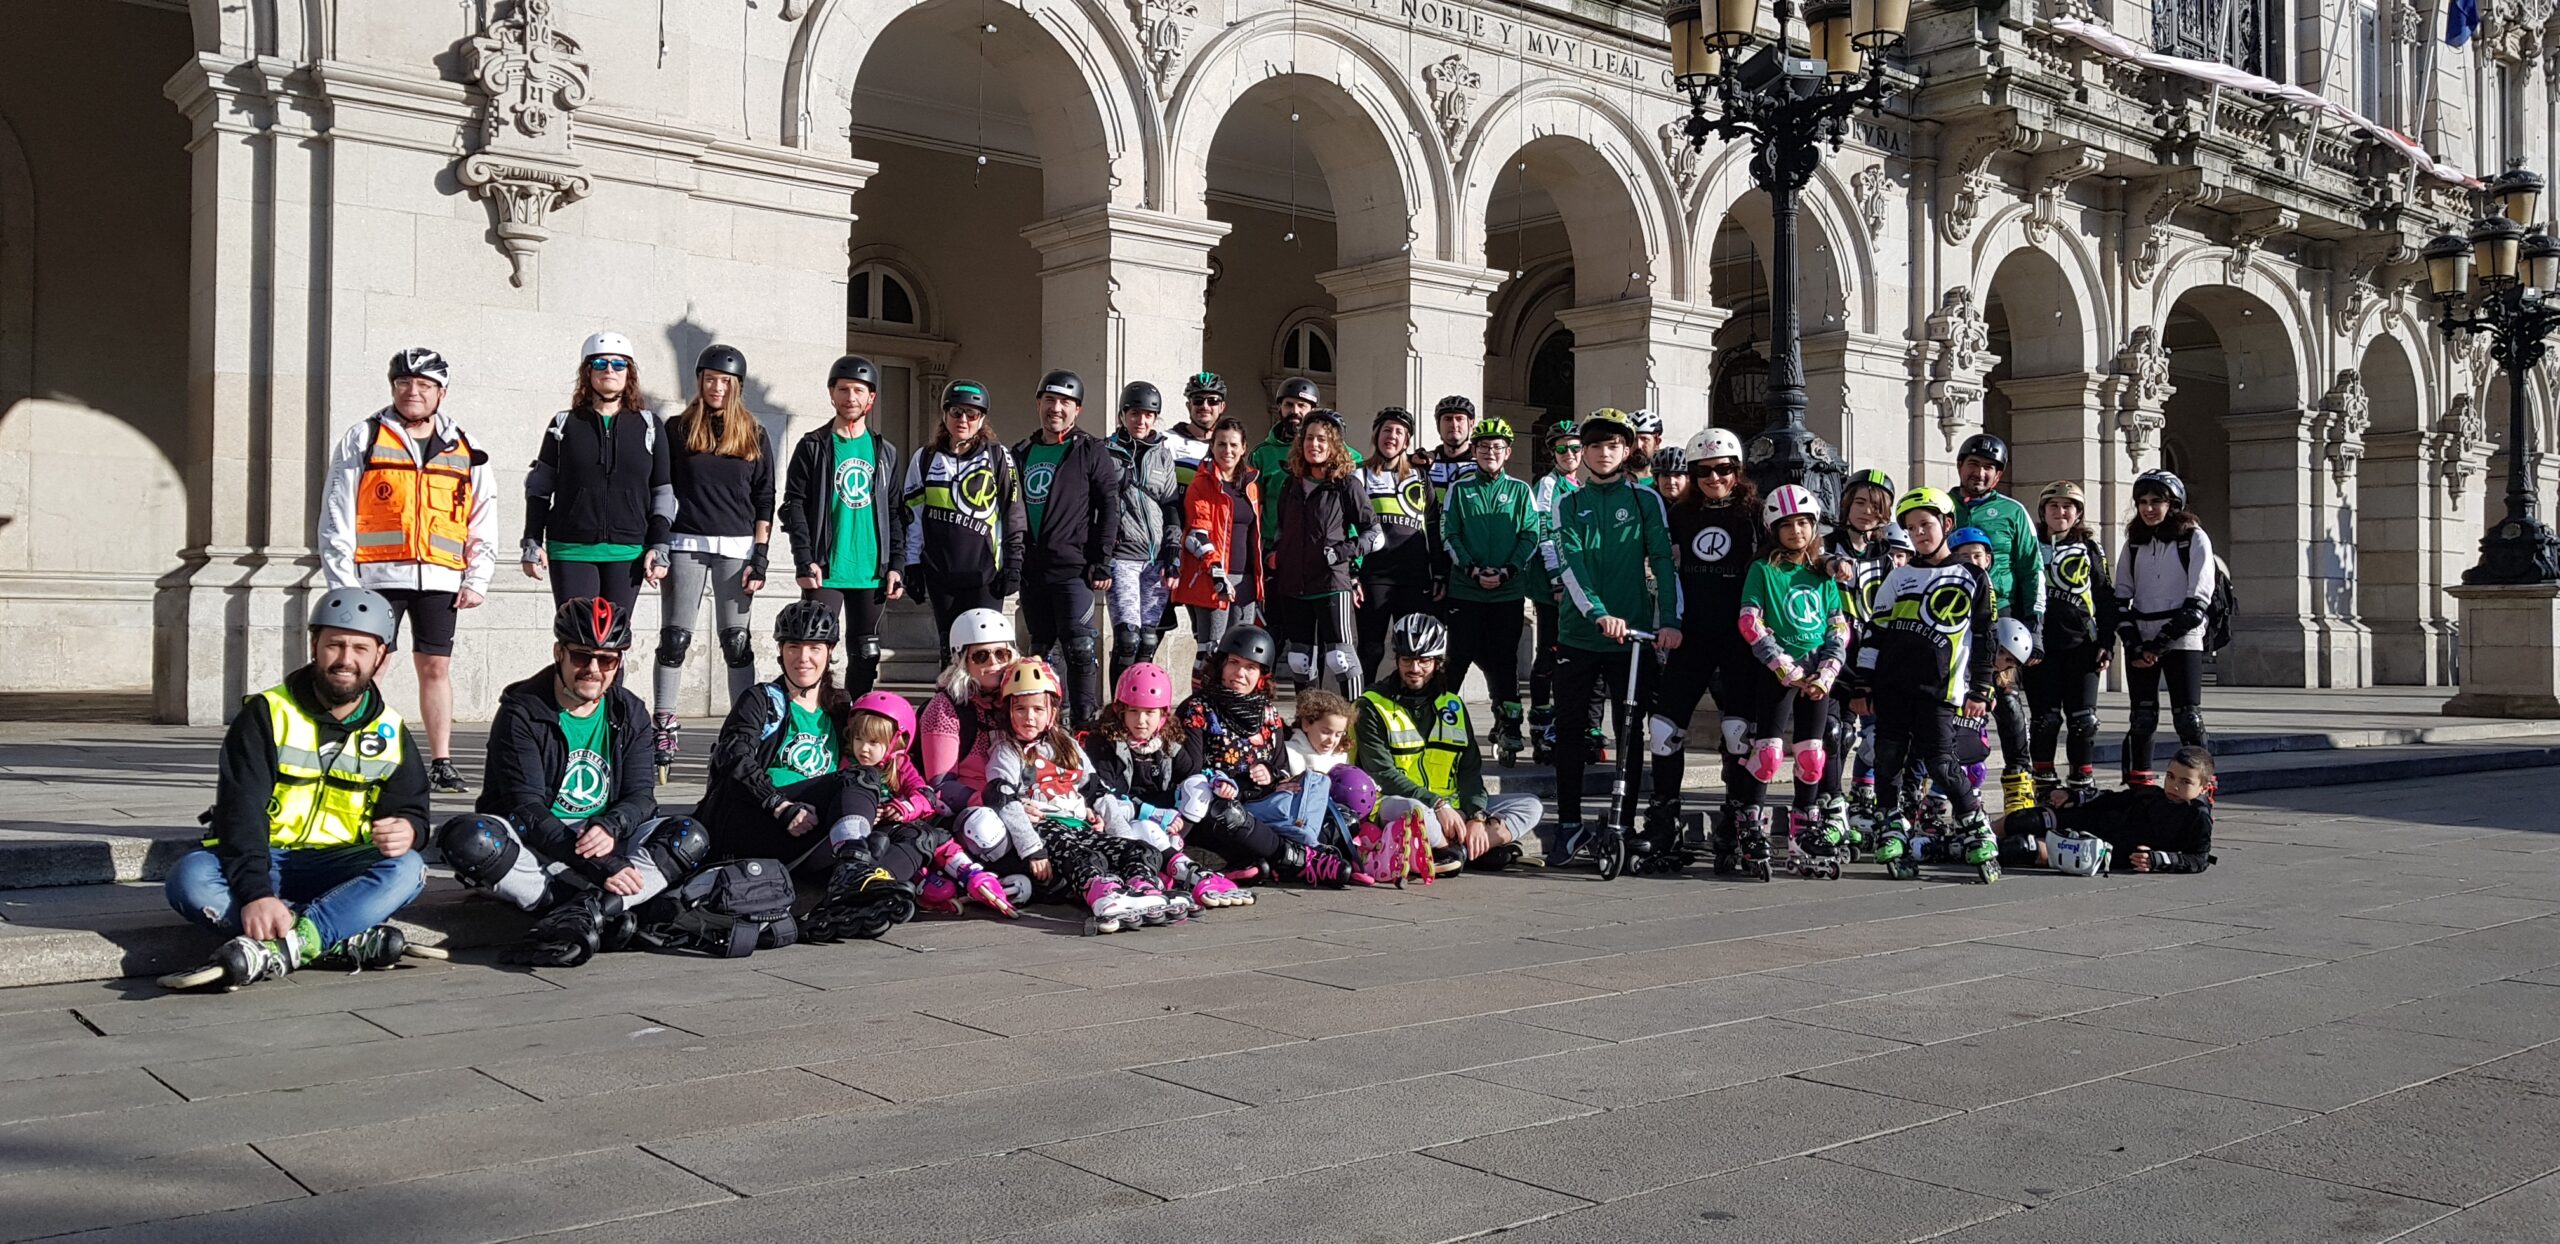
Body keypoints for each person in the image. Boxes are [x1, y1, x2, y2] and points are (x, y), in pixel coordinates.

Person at [159, 589, 431, 990]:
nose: (345, 659)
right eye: (334, 645)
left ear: (381, 657)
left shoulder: (390, 729)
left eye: (360, 648)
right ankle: (339, 936)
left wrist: (410, 828)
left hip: (339, 866)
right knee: (189, 877)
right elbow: (239, 814)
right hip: (266, 858)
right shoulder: (265, 714)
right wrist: (255, 893)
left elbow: (414, 810)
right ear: (313, 646)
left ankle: (290, 945)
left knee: (410, 869)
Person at [433, 598, 711, 966]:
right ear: (558, 653)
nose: (593, 669)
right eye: (581, 656)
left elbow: (641, 797)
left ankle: (584, 909)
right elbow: (526, 810)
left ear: (619, 662)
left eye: (607, 659)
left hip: (604, 839)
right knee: (470, 839)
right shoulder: (522, 712)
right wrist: (602, 868)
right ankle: (600, 904)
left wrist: (611, 825)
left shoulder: (631, 711)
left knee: (689, 836)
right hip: (537, 841)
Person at [318, 347, 495, 794]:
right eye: (404, 384)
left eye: (424, 385)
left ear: (442, 392)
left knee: (435, 666)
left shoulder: (464, 446)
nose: (412, 392)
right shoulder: (363, 437)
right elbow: (336, 511)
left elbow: (481, 514)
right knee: (369, 665)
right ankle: (351, 750)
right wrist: (344, 584)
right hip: (377, 577)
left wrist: (478, 577)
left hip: (440, 576)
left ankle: (442, 761)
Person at [693, 601, 924, 939]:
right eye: (794, 647)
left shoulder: (840, 707)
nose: (804, 658)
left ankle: (860, 898)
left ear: (830, 653)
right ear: (780, 652)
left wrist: (893, 805)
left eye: (815, 648)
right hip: (761, 821)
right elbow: (734, 759)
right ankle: (853, 875)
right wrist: (780, 805)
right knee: (860, 779)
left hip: (817, 829)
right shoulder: (762, 700)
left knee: (917, 836)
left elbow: (881, 752)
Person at [1547, 408, 1682, 864]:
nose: (1603, 453)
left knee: (1630, 729)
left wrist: (1671, 621)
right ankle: (1568, 824)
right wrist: (1599, 613)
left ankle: (1621, 822)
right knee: (1569, 732)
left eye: (1613, 445)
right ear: (1582, 452)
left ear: (1627, 451)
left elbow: (1663, 560)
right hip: (1580, 635)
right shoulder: (1568, 502)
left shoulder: (1646, 500)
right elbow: (1571, 564)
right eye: (1595, 446)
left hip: (1635, 638)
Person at [959, 658, 1180, 932]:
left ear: (1052, 711)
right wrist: (1033, 850)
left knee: (1141, 850)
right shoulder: (1007, 751)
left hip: (1079, 825)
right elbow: (1004, 801)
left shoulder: (1068, 745)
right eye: (1021, 709)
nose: (1030, 717)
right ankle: (1103, 894)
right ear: (1008, 711)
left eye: (1038, 709)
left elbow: (1098, 793)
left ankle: (1142, 888)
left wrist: (1122, 837)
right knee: (1083, 857)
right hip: (1045, 829)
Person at [1846, 488, 1997, 880]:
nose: (1919, 534)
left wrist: (1982, 689)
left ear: (1947, 525)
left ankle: (1975, 825)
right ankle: (1891, 823)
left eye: (1926, 525)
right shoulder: (1898, 577)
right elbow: (1875, 633)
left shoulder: (1972, 576)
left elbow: (1985, 638)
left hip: (1941, 690)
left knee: (1942, 763)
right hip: (1892, 687)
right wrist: (1864, 685)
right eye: (1911, 528)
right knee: (1888, 759)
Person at [654, 344, 781, 775]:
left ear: (738, 387)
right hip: (686, 541)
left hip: (737, 547)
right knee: (675, 638)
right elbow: (661, 489)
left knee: (736, 643)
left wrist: (761, 555)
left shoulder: (754, 433)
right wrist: (657, 544)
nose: (717, 387)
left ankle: (739, 729)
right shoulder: (677, 429)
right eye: (710, 379)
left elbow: (765, 498)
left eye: (726, 381)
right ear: (700, 381)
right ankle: (664, 723)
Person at [1352, 613, 1543, 872]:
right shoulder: (1371, 705)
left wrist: (1476, 815)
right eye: (1407, 660)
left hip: (1452, 807)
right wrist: (1437, 804)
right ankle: (1469, 849)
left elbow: (1469, 769)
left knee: (1530, 805)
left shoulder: (1452, 704)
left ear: (1438, 662)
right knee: (1417, 811)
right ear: (1396, 659)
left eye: (1424, 660)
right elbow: (1382, 773)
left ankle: (1456, 852)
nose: (1414, 669)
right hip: (1398, 803)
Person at [1175, 625, 1358, 886]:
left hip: (1263, 806)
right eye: (1234, 663)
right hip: (1222, 808)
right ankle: (1300, 859)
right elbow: (1189, 771)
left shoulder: (1269, 713)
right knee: (1225, 812)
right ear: (1221, 665)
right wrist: (1240, 781)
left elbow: (1281, 769)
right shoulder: (1198, 707)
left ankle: (1276, 858)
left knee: (1336, 806)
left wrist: (1269, 774)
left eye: (1250, 667)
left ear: (1261, 675)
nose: (1240, 673)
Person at [1649, 426, 1760, 854]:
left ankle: (1737, 817)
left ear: (1738, 471)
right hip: (1690, 634)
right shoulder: (1678, 515)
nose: (1714, 479)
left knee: (1738, 732)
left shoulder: (1754, 512)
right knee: (1663, 730)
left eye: (1724, 470)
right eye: (1704, 471)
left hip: (1737, 637)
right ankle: (1664, 816)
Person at [780, 353, 907, 699]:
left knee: (865, 654)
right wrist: (803, 559)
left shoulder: (885, 452)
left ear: (871, 398)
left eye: (859, 391)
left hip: (871, 570)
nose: (851, 397)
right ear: (832, 394)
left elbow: (896, 511)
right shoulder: (813, 446)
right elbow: (793, 506)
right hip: (827, 569)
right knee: (814, 649)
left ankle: (853, 725)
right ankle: (815, 720)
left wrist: (897, 564)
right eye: (844, 389)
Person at [522, 332, 673, 619]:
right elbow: (540, 487)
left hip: (627, 550)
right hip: (570, 548)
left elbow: (662, 492)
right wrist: (532, 540)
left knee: (613, 642)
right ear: (587, 372)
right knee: (577, 638)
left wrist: (659, 545)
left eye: (619, 364)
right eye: (601, 363)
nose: (609, 371)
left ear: (629, 373)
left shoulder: (649, 425)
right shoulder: (564, 424)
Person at [1740, 486, 1851, 875]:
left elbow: (1838, 623)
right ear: (1773, 528)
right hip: (1779, 672)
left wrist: (1829, 668)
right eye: (1786, 525)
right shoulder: (1763, 570)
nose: (1797, 531)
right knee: (1768, 754)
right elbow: (1749, 621)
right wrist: (1781, 664)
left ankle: (1806, 827)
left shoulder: (1822, 571)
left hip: (1818, 672)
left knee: (1811, 756)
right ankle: (1751, 825)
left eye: (1804, 523)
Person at [1083, 662, 1252, 908]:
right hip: (1125, 818)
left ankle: (1173, 855)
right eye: (1134, 711)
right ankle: (1186, 871)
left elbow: (1193, 773)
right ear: (1120, 711)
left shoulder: (1167, 740)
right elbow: (1108, 794)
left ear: (1163, 715)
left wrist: (1219, 781)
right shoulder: (1103, 741)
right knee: (1140, 824)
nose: (1141, 721)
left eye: (1150, 713)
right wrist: (1153, 813)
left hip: (1168, 822)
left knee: (1199, 786)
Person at [1012, 369, 1122, 723]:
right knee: (1040, 650)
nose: (1056, 409)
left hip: (1073, 567)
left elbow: (1109, 506)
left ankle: (1085, 721)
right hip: (1032, 568)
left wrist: (1101, 559)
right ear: (1038, 404)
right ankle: (1042, 722)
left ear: (1078, 410)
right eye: (1049, 400)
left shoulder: (1089, 450)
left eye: (1064, 402)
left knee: (1079, 646)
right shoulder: (1022, 451)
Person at [1952, 432, 2044, 819]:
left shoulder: (2012, 511)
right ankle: (1942, 787)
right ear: (1961, 466)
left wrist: (2034, 626)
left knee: (2005, 703)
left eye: (1989, 468)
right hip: (1950, 617)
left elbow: (2032, 568)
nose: (1980, 473)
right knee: (1951, 702)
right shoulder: (1944, 505)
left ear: (1999, 475)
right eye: (1973, 464)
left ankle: (2019, 782)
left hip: (1999, 619)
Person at [902, 379, 1027, 658]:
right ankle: (947, 703)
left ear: (981, 419)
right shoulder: (924, 458)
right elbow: (913, 515)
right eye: (956, 412)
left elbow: (1013, 513)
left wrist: (1014, 563)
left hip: (984, 574)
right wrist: (911, 564)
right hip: (940, 573)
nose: (963, 420)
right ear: (944, 414)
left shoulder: (998, 456)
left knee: (984, 650)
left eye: (972, 414)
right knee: (950, 653)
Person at [1439, 416, 1539, 761]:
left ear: (1507, 452)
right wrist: (1472, 568)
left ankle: (1509, 727)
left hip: (1507, 592)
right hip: (1466, 589)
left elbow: (1531, 535)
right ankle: (1443, 724)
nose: (1490, 453)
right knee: (1457, 660)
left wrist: (1508, 571)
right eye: (1483, 448)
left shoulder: (1521, 491)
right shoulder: (1460, 489)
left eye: (1497, 448)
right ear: (1475, 452)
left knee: (1504, 662)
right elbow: (1449, 534)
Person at [2113, 468, 2215, 786]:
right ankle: (2138, 784)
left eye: (2157, 501)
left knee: (2187, 717)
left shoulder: (2193, 538)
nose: (2148, 508)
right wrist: (2134, 643)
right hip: (2142, 636)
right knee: (2142, 717)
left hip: (2182, 638)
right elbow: (2121, 598)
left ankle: (2200, 784)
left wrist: (2160, 644)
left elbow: (2198, 602)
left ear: (2173, 504)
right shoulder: (2134, 542)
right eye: (2142, 501)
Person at [1821, 468, 1899, 847]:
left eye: (1876, 506)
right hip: (1833, 652)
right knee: (1834, 732)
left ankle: (1872, 802)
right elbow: (1816, 563)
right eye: (1861, 502)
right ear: (1847, 503)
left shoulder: (1888, 555)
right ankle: (1829, 803)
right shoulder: (1826, 544)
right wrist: (1829, 565)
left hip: (1873, 654)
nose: (1867, 511)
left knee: (1873, 736)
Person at [1269, 408, 1369, 698]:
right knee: (1300, 661)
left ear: (1334, 445)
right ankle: (1307, 722)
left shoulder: (1346, 484)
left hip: (1331, 583)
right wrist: (1277, 553)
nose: (1314, 445)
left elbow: (1373, 534)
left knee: (1341, 658)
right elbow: (1281, 530)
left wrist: (1343, 553)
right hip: (1294, 583)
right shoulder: (1290, 483)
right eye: (1309, 438)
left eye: (1322, 440)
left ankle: (1355, 726)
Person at [2027, 479, 2113, 801]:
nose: (2060, 512)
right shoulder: (2031, 545)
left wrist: (2107, 641)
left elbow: (2105, 596)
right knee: (2045, 721)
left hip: (2081, 648)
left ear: (2077, 513)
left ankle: (2081, 782)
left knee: (2083, 721)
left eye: (2068, 507)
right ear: (2043, 511)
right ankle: (2044, 783)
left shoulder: (2090, 548)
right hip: (2041, 649)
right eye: (2054, 506)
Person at [2003, 746, 2215, 873]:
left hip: (2104, 850)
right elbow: (2109, 798)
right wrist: (2074, 795)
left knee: (2019, 848)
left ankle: (1981, 853)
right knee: (2023, 820)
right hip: (2096, 822)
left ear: (2204, 788)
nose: (2174, 785)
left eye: (2185, 782)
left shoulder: (2197, 816)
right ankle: (1975, 837)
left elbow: (2199, 858)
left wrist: (2158, 860)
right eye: (2170, 777)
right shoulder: (2152, 795)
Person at [1169, 417, 1263, 680]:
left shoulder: (1252, 484)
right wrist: (1215, 570)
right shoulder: (1202, 482)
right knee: (1211, 651)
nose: (1227, 451)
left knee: (1241, 652)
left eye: (1234, 444)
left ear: (1244, 447)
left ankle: (1230, 708)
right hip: (1212, 577)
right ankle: (1200, 710)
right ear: (1212, 447)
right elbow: (1196, 531)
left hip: (1245, 579)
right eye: (1221, 444)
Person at [1105, 380, 1178, 691]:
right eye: (1135, 413)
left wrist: (1173, 551)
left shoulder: (1162, 455)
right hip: (1122, 555)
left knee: (1148, 640)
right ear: (1123, 415)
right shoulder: (1105, 452)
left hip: (1155, 559)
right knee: (1127, 638)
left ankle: (1139, 705)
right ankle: (1118, 707)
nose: (1141, 421)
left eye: (1149, 415)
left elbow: (1172, 503)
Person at [1354, 407, 1435, 685]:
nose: (1392, 436)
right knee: (1371, 647)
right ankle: (1362, 707)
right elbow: (1347, 526)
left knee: (1411, 647)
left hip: (1414, 575)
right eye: (1387, 430)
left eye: (1399, 432)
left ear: (1407, 441)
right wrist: (1352, 574)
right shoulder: (1359, 475)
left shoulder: (1421, 477)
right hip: (1375, 575)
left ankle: (1407, 704)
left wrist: (1439, 573)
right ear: (1376, 435)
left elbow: (1434, 526)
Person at [918, 607, 1018, 808]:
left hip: (1031, 800)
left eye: (1002, 653)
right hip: (972, 809)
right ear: (962, 660)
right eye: (981, 656)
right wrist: (1000, 803)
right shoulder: (945, 708)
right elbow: (941, 785)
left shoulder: (1020, 696)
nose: (994, 662)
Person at [1527, 418, 1585, 763]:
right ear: (1553, 452)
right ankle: (1541, 727)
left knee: (1570, 655)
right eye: (1562, 448)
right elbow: (1546, 533)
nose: (1569, 454)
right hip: (1553, 588)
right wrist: (1556, 580)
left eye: (1575, 447)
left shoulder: (1579, 484)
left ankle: (1570, 726)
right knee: (1549, 654)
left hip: (1577, 586)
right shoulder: (1548, 485)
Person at [1250, 376, 1322, 510]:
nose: (1295, 411)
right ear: (1279, 408)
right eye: (1289, 405)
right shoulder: (1261, 455)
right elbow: (1251, 504)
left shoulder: (1325, 450)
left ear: (1313, 411)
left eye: (1302, 405)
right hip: (1272, 530)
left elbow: (1352, 460)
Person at [1167, 372, 1226, 490]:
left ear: (1222, 407)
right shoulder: (1167, 441)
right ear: (1189, 406)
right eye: (1198, 400)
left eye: (1212, 400)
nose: (1205, 406)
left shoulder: (1229, 446)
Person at [1628, 409, 1665, 487]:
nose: (1638, 446)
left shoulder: (1665, 482)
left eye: (1645, 439)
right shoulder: (1616, 478)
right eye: (1634, 440)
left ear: (1657, 442)